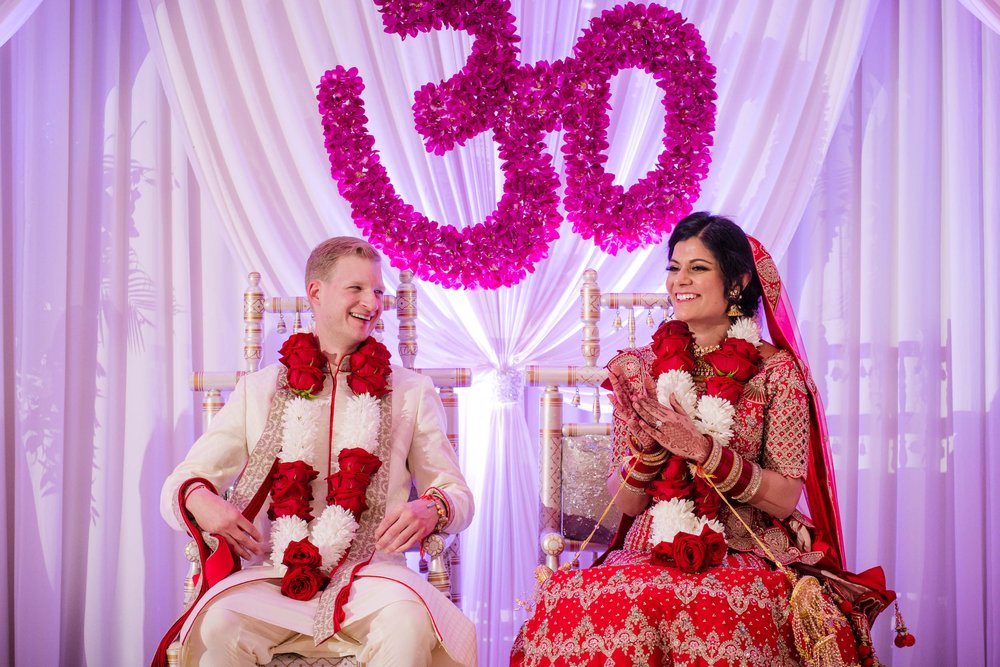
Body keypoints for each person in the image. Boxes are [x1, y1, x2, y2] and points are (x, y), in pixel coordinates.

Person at [511, 213, 895, 666]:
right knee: (608, 607)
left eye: (698, 268)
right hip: (649, 549)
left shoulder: (777, 374)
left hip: (748, 548)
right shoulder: (638, 370)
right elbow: (628, 505)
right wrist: (652, 450)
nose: (680, 281)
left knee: (712, 614)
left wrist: (703, 451)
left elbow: (786, 496)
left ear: (737, 282)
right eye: (674, 267)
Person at [155, 237, 476, 666]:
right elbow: (181, 482)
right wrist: (202, 500)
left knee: (408, 622)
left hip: (374, 581)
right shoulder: (261, 390)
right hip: (274, 581)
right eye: (357, 289)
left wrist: (432, 508)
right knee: (219, 626)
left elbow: (457, 493)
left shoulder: (410, 392)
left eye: (379, 292)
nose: (373, 303)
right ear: (316, 292)